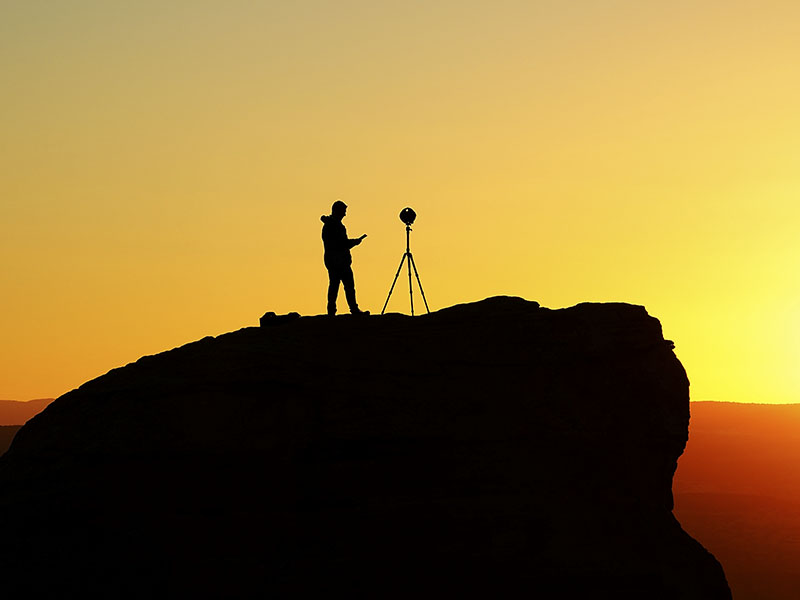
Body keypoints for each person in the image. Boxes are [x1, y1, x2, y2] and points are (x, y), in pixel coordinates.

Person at [321, 200, 368, 316]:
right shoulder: (332, 227)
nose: (345, 214)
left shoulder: (334, 226)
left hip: (338, 261)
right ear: (338, 211)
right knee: (338, 286)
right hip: (337, 261)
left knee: (343, 286)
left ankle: (342, 310)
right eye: (343, 211)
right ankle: (339, 310)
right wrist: (354, 242)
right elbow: (339, 244)